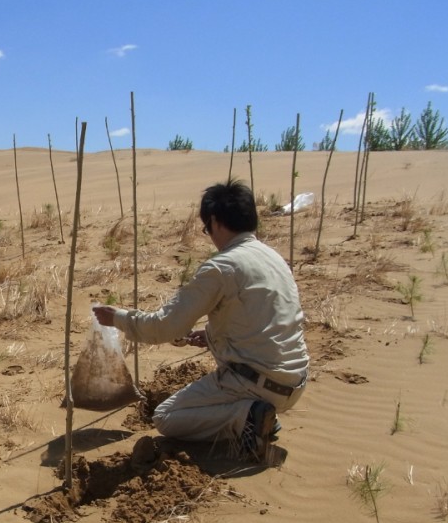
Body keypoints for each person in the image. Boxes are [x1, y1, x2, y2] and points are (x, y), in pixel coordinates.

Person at [92, 180, 308, 462]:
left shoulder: (222, 267)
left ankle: (247, 418)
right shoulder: (273, 257)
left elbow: (164, 326)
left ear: (216, 221)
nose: (210, 236)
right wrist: (211, 336)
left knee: (165, 417)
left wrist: (118, 318)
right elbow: (264, 318)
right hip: (296, 382)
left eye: (207, 229)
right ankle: (258, 415)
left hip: (257, 383)